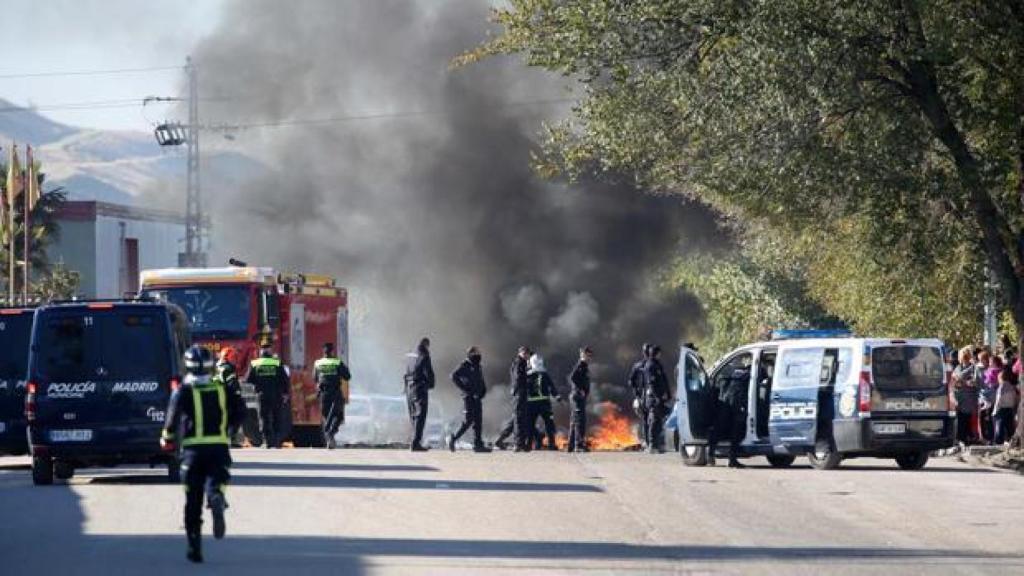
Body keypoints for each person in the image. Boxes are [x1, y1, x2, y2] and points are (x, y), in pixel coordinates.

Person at [161, 346, 246, 563]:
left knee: (192, 501)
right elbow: (240, 410)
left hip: (192, 451)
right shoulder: (221, 388)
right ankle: (217, 497)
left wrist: (167, 439)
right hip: (218, 447)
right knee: (217, 480)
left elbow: (171, 419)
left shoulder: (183, 390)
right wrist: (230, 430)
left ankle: (194, 547)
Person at [246, 345, 290, 448]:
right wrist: (285, 393)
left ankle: (267, 442)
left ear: (260, 352)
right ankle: (277, 441)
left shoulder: (255, 363)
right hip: (276, 395)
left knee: (264, 418)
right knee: (277, 417)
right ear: (270, 351)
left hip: (261, 396)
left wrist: (257, 385)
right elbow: (284, 380)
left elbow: (248, 380)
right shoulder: (277, 363)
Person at [448, 346, 490, 452]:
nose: (478, 355)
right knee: (468, 421)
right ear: (470, 354)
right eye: (476, 353)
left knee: (478, 421)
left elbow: (480, 379)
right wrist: (466, 389)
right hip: (469, 398)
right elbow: (453, 376)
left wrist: (483, 390)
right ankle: (453, 438)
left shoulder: (478, 366)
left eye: (479, 353)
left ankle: (478, 445)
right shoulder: (465, 365)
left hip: (477, 397)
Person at [707, 363, 749, 468]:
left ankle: (711, 455)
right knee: (736, 432)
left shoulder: (728, 374)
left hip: (724, 405)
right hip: (736, 405)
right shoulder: (746, 376)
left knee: (719, 430)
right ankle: (731, 459)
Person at [314, 342, 351, 450]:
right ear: (332, 351)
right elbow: (347, 377)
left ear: (323, 351)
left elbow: (315, 378)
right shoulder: (337, 362)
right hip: (335, 393)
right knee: (339, 416)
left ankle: (329, 434)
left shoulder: (318, 363)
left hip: (324, 394)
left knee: (327, 416)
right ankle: (330, 433)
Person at [404, 337, 434, 451]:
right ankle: (416, 443)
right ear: (426, 345)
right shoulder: (424, 354)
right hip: (419, 387)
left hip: (409, 387)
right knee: (421, 415)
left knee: (413, 415)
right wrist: (430, 385)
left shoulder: (411, 355)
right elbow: (429, 372)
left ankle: (415, 441)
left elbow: (406, 370)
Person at [526, 353, 558, 450]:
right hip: (543, 403)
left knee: (531, 424)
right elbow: (551, 386)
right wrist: (557, 396)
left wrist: (556, 395)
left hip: (533, 404)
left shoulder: (528, 375)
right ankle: (551, 444)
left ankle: (529, 444)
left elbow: (551, 386)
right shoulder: (543, 374)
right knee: (548, 423)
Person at [644, 345, 671, 454]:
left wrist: (667, 394)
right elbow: (652, 384)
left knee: (659, 421)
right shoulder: (650, 365)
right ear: (655, 353)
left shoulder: (658, 365)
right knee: (654, 421)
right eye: (659, 353)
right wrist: (657, 397)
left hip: (660, 398)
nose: (660, 355)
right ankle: (652, 445)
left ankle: (658, 445)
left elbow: (664, 381)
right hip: (654, 398)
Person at [952, 346, 981, 446]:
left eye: (966, 356)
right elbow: (955, 380)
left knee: (968, 419)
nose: (964, 358)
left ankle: (969, 438)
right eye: (963, 356)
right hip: (960, 398)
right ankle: (962, 439)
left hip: (970, 398)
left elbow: (975, 382)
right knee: (961, 419)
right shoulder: (958, 367)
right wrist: (963, 382)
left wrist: (962, 381)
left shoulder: (974, 368)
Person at [567, 347, 593, 452]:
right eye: (588, 355)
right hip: (577, 397)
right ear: (583, 355)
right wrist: (580, 389)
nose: (589, 357)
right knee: (579, 422)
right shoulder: (581, 365)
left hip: (578, 397)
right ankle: (578, 445)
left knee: (574, 421)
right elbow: (572, 377)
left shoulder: (584, 366)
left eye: (590, 355)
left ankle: (571, 445)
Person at [627, 344, 651, 448]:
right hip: (644, 397)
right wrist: (637, 393)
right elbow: (631, 381)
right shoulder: (639, 366)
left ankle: (650, 441)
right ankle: (648, 441)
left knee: (649, 419)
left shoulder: (652, 365)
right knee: (646, 419)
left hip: (650, 397)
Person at [992, 368, 1019, 445]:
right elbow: (1015, 398)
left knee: (999, 426)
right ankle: (1011, 440)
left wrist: (995, 411)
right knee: (1009, 426)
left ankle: (998, 441)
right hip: (1010, 409)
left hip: (1001, 409)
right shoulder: (1012, 387)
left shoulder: (1001, 387)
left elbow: (998, 399)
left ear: (1000, 378)